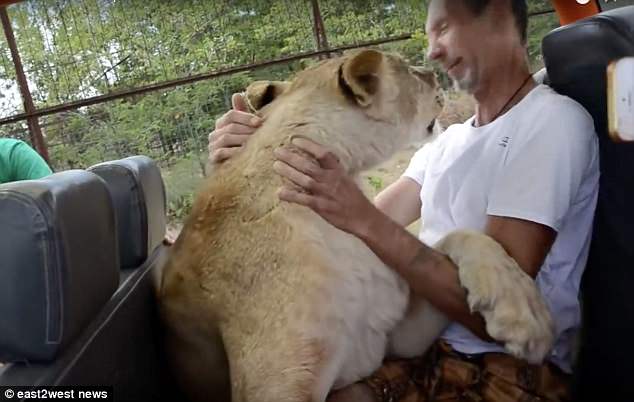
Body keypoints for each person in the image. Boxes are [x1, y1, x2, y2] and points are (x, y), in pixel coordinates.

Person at [208, 0, 599, 400]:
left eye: (443, 28)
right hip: (422, 350)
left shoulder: (551, 123)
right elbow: (361, 231)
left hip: (499, 372)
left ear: (497, 18)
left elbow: (493, 318)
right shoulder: (448, 141)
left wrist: (360, 216)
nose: (432, 51)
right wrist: (252, 156)